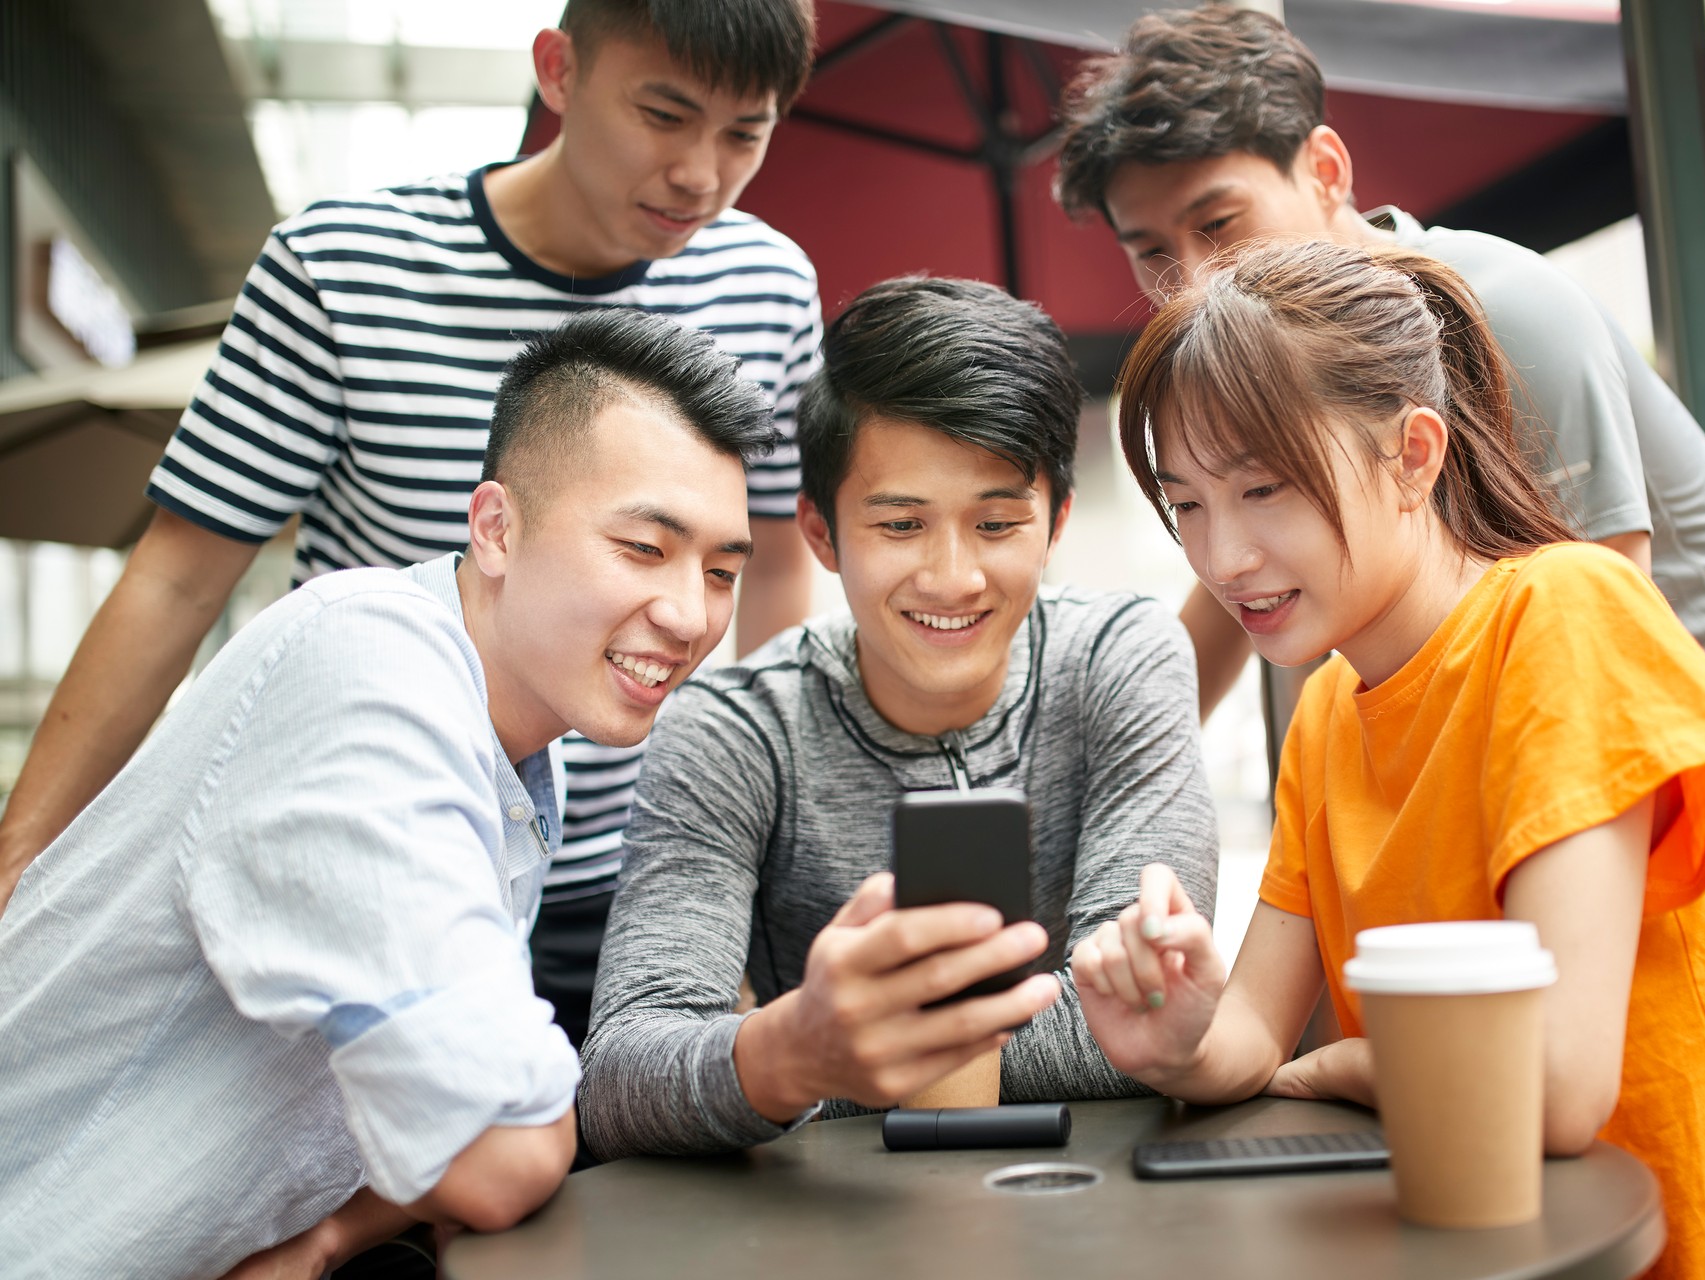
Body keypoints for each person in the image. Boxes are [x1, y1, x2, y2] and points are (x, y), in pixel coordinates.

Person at [1068, 238, 1705, 1280]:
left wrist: (1342, 1061)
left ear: (1415, 455)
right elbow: (1250, 1025)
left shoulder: (1564, 614)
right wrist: (1179, 1035)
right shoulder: (1331, 705)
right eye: (1188, 503)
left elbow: (1554, 1091)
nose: (1221, 557)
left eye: (1266, 489)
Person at [0, 0, 824, 1039]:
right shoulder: (341, 265)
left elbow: (776, 565)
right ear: (560, 71)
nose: (701, 173)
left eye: (745, 133)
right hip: (370, 863)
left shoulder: (768, 284)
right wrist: (20, 856)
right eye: (664, 114)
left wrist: (751, 835)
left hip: (635, 873)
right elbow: (177, 578)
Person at [0, 309, 779, 1279]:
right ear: (496, 528)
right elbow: (502, 1148)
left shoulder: (523, 744)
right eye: (642, 548)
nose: (690, 612)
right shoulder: (373, 677)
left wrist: (331, 1235)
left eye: (721, 570)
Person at [1052, 5, 1705, 950]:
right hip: (1538, 773)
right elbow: (1235, 573)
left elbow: (1604, 616)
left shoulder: (1497, 306)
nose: (1193, 277)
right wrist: (1100, 776)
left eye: (1219, 223)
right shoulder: (1280, 363)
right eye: (1151, 254)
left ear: (1326, 170)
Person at [578, 277, 1219, 1157]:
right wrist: (796, 1050)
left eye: (997, 524)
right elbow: (618, 1077)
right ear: (820, 534)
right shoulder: (733, 732)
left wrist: (806, 1062)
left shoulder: (1121, 659)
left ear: (1057, 519)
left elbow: (1141, 1017)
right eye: (902, 525)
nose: (953, 577)